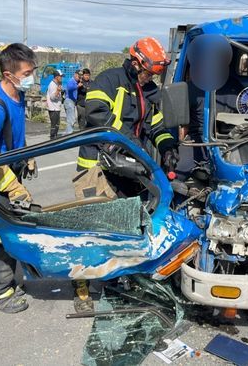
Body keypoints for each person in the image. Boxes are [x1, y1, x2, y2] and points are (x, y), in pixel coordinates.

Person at [73, 37, 179, 313]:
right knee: (92, 230)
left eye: (154, 74)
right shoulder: (109, 80)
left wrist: (167, 147)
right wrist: (131, 142)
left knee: (125, 229)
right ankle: (81, 287)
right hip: (97, 168)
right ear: (136, 63)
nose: (149, 78)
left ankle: (116, 280)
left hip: (129, 169)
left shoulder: (149, 89)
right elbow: (96, 114)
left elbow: (157, 125)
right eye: (147, 72)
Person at [0, 43, 37, 313]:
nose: (31, 77)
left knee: (11, 232)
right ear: (9, 74)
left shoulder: (18, 97)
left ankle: (8, 283)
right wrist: (12, 187)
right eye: (27, 73)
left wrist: (28, 156)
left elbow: (16, 135)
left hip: (12, 171)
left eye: (32, 70)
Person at [46, 70, 63, 139]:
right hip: (53, 108)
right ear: (56, 77)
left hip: (57, 107)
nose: (62, 78)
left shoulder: (57, 84)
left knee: (57, 124)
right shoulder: (52, 85)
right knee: (54, 125)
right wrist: (57, 91)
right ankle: (52, 138)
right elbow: (52, 97)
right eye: (60, 76)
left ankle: (55, 137)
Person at [63, 70, 80, 135]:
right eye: (79, 76)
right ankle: (69, 133)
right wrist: (77, 86)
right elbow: (70, 88)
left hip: (72, 102)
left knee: (71, 118)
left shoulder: (76, 82)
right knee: (71, 118)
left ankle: (68, 133)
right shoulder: (71, 81)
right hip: (69, 101)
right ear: (75, 75)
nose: (79, 78)